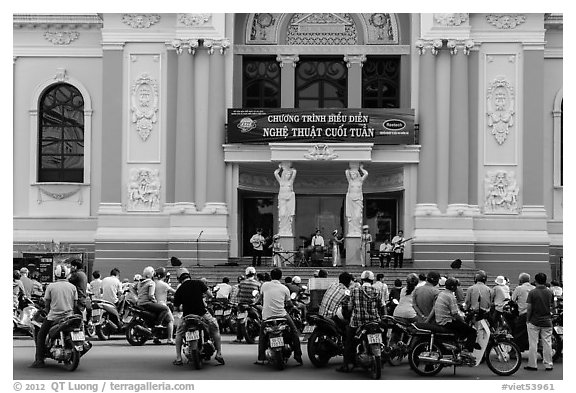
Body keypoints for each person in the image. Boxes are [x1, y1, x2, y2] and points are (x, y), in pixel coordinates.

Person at [172, 268, 224, 366]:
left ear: (179, 279)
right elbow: (210, 295)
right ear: (189, 275)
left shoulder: (179, 290)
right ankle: (219, 353)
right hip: (202, 314)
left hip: (187, 316)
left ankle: (178, 358)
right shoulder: (199, 283)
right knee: (215, 328)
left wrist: (179, 311)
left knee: (179, 333)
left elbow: (176, 308)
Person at [30, 264, 78, 368]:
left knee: (41, 335)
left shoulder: (51, 286)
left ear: (56, 274)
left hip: (53, 317)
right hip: (69, 316)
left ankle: (39, 360)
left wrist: (46, 310)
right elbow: (75, 304)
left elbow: (47, 304)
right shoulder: (72, 287)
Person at [337, 270, 383, 373]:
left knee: (349, 343)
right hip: (374, 322)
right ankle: (382, 358)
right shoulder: (377, 291)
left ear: (362, 280)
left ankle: (346, 365)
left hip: (357, 322)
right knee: (383, 337)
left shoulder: (355, 290)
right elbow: (380, 306)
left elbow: (350, 307)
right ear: (372, 280)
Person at [255, 268, 303, 366]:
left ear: (271, 276)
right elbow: (289, 303)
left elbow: (260, 299)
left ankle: (261, 358)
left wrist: (257, 303)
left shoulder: (264, 285)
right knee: (294, 332)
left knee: (262, 336)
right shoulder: (285, 288)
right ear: (281, 277)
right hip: (282, 315)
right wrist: (294, 307)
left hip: (267, 316)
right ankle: (298, 355)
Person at [430, 277, 479, 356]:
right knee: (472, 331)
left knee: (462, 328)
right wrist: (463, 320)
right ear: (453, 287)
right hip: (447, 322)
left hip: (440, 320)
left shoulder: (442, 293)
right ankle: (466, 352)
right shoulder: (450, 296)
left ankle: (458, 345)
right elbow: (455, 314)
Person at [524, 273, 554, 371]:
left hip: (534, 321)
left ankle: (532, 364)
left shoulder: (532, 292)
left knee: (533, 343)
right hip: (547, 321)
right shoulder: (550, 292)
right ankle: (548, 364)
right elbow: (552, 307)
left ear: (535, 280)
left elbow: (529, 308)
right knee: (547, 343)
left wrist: (528, 319)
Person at [233, 267, 262, 343]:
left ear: (246, 275)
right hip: (253, 304)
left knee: (239, 319)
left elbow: (238, 294)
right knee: (262, 315)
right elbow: (260, 295)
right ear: (254, 274)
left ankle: (239, 338)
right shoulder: (258, 284)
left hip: (242, 305)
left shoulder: (241, 283)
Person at [390, 273, 419, 344]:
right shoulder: (418, 290)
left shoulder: (403, 290)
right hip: (410, 315)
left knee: (395, 332)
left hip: (397, 313)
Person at [510, 272, 535, 350]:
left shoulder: (519, 288)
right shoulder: (534, 288)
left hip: (524, 313)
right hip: (534, 314)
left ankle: (516, 350)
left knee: (518, 332)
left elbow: (512, 300)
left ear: (520, 280)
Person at [154, 267, 176, 344]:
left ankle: (156, 338)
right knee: (171, 320)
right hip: (162, 305)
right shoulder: (163, 284)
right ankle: (170, 339)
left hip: (154, 305)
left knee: (158, 321)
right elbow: (174, 292)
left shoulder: (153, 283)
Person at [345, 163, 368, 236]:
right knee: (352, 217)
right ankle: (352, 231)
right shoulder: (350, 181)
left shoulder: (360, 181)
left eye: (354, 174)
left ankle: (357, 230)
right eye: (351, 174)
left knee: (358, 216)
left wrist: (361, 168)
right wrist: (352, 168)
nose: (352, 175)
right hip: (351, 200)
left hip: (358, 200)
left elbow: (366, 174)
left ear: (357, 174)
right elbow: (346, 172)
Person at [275, 163, 297, 236]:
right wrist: (280, 168)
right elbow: (275, 173)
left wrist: (291, 169)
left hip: (288, 200)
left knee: (288, 215)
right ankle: (282, 229)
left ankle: (287, 230)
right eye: (287, 174)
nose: (288, 176)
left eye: (289, 175)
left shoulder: (290, 182)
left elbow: (294, 173)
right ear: (284, 174)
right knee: (282, 214)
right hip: (282, 200)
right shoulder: (281, 181)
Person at [68, 258, 92, 323]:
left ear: (75, 266)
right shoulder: (83, 274)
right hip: (82, 297)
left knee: (76, 317)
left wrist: (70, 272)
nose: (70, 267)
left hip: (77, 298)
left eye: (71, 266)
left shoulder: (76, 274)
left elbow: (66, 281)